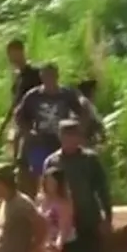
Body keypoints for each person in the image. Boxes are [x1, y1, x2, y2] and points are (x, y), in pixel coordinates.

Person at [44, 120, 113, 252]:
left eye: (73, 136)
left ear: (79, 137)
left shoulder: (89, 159)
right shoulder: (53, 162)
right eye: (66, 136)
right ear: (60, 137)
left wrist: (107, 216)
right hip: (66, 225)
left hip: (88, 218)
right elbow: (46, 192)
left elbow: (102, 190)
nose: (70, 140)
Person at [14, 62, 86, 193]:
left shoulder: (66, 94)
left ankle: (61, 203)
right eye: (46, 76)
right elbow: (19, 115)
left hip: (60, 142)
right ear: (41, 77)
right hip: (40, 141)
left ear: (57, 76)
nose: (49, 79)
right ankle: (32, 204)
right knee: (34, 175)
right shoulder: (33, 96)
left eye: (52, 76)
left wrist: (75, 131)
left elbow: (81, 113)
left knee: (62, 176)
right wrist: (28, 132)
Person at [0, 38, 45, 142]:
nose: (10, 58)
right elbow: (15, 102)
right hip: (22, 123)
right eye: (9, 54)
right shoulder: (18, 77)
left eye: (12, 53)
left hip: (36, 124)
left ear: (21, 52)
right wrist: (4, 125)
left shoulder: (35, 73)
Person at [38, 167, 75, 252]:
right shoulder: (42, 200)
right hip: (47, 244)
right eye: (47, 182)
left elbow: (64, 227)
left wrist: (58, 246)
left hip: (64, 244)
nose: (50, 186)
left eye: (53, 183)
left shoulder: (64, 202)